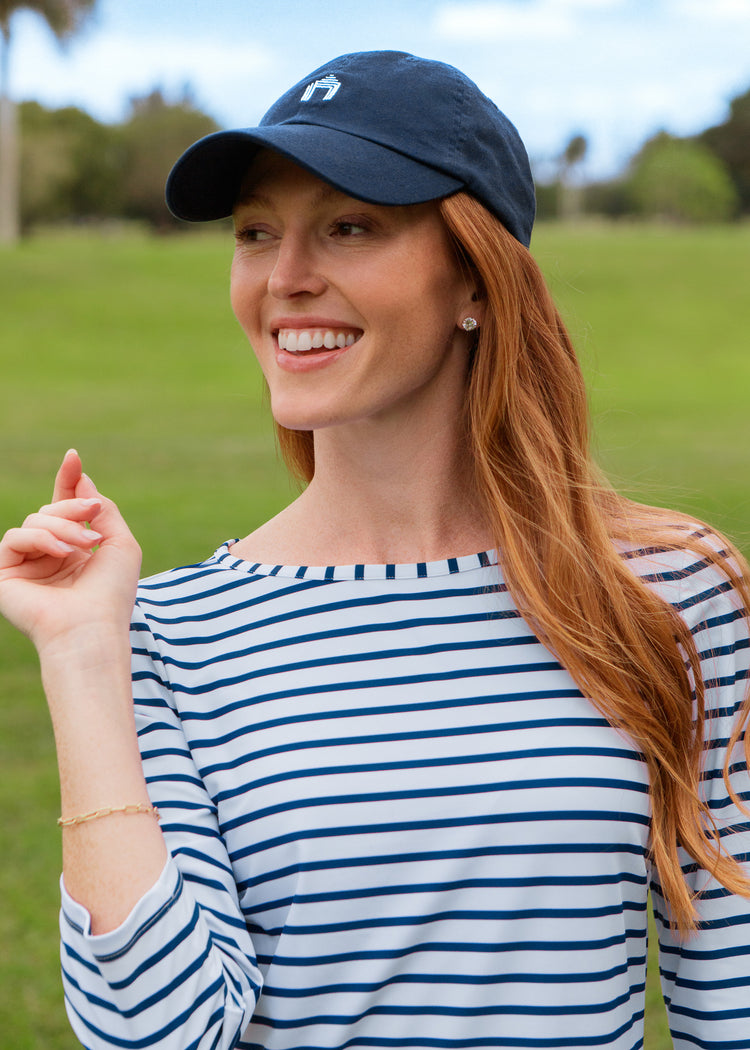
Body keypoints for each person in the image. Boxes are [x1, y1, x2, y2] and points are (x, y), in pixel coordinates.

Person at [1, 50, 749, 1050]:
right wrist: (85, 659)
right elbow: (157, 1036)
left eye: (350, 226)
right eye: (257, 233)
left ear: (475, 279)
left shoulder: (673, 592)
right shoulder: (164, 636)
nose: (286, 278)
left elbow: (734, 992)